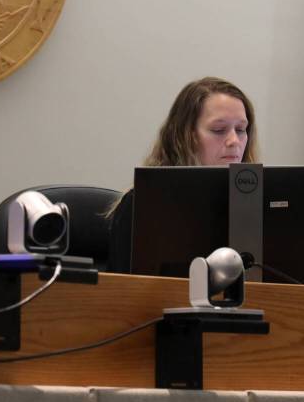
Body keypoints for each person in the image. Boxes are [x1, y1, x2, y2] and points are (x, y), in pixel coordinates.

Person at [107, 77, 259, 271]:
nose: (234, 141)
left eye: (240, 130)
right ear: (185, 136)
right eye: (219, 130)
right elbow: (121, 292)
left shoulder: (257, 204)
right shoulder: (141, 204)